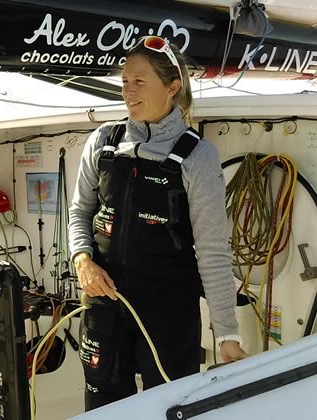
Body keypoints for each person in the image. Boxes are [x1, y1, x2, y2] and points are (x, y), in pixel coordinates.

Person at [68, 36, 248, 411]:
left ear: (172, 86)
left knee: (169, 407)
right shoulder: (103, 141)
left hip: (168, 314)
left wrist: (226, 334)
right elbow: (80, 212)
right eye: (124, 81)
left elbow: (212, 251)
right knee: (102, 407)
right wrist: (82, 259)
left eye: (139, 81)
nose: (127, 91)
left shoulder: (197, 156)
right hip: (104, 307)